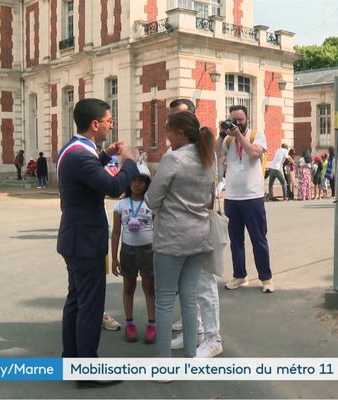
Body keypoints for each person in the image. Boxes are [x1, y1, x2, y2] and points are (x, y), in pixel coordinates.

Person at [57, 98, 138, 388]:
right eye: (107, 120)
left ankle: (72, 361)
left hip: (75, 238)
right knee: (90, 306)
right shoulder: (81, 156)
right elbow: (115, 187)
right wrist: (129, 161)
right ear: (95, 125)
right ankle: (88, 370)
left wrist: (106, 155)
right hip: (86, 241)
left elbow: (88, 172)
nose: (111, 124)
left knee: (76, 302)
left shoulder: (73, 148)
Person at [145, 112, 215, 359]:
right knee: (189, 297)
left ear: (180, 133)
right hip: (200, 236)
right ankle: (189, 356)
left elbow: (152, 199)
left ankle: (164, 363)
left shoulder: (172, 159)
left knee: (164, 300)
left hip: (172, 238)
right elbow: (210, 197)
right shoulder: (208, 156)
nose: (168, 139)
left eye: (170, 134)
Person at [168, 99, 223, 358]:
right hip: (180, 230)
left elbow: (209, 196)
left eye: (174, 122)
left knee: (203, 282)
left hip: (197, 227)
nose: (169, 128)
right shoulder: (176, 154)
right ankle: (197, 330)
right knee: (187, 284)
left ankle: (213, 337)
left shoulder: (203, 154)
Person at [221, 105, 274, 293]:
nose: (236, 123)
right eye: (233, 119)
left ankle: (266, 279)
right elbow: (213, 154)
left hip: (253, 196)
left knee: (258, 239)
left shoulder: (256, 135)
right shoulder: (227, 140)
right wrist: (222, 134)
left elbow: (253, 153)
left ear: (247, 119)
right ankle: (239, 276)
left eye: (240, 120)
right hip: (232, 197)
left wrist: (239, 135)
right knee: (235, 240)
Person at [111, 165, 156, 344]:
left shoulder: (151, 203)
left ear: (146, 184)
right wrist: (114, 258)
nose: (137, 184)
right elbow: (115, 233)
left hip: (148, 250)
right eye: (133, 180)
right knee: (129, 287)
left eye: (141, 181)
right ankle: (129, 324)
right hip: (127, 251)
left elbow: (158, 228)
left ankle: (152, 325)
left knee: (149, 288)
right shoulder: (120, 205)